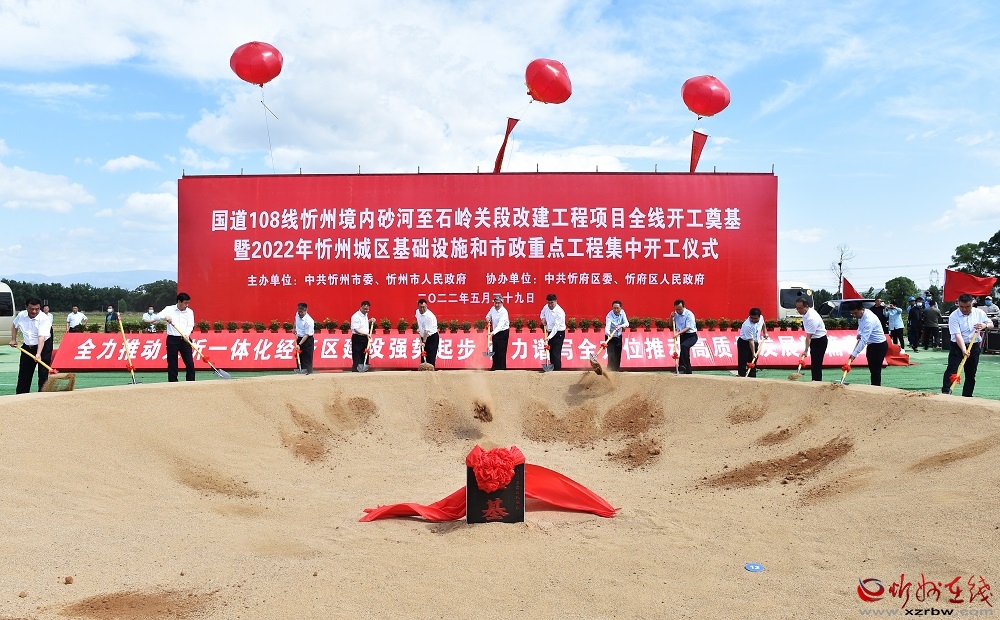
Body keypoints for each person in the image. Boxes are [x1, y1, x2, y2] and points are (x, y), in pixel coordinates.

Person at [941, 293, 990, 397]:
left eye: (967, 307)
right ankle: (946, 392)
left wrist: (985, 325)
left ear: (972, 304)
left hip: (974, 346)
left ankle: (967, 396)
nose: (964, 309)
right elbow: (957, 335)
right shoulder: (954, 316)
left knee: (971, 373)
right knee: (952, 369)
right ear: (958, 304)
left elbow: (991, 324)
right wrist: (964, 350)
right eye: (961, 307)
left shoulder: (979, 313)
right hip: (957, 346)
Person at [146, 293, 196, 382]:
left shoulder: (189, 312)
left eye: (188, 303)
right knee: (172, 362)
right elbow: (157, 317)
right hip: (173, 339)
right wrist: (165, 317)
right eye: (185, 303)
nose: (187, 305)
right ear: (179, 301)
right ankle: (173, 383)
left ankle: (190, 382)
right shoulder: (169, 309)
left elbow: (190, 325)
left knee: (189, 363)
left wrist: (187, 334)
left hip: (185, 339)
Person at [9, 297, 53, 393]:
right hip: (28, 346)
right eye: (31, 309)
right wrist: (13, 339)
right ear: (26, 307)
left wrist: (38, 354)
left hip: (44, 346)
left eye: (37, 309)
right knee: (24, 373)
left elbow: (41, 337)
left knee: (43, 373)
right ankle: (21, 396)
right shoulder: (21, 315)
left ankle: (43, 395)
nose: (34, 311)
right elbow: (14, 325)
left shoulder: (44, 318)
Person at [848, 301, 889, 386]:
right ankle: (874, 386)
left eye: (856, 313)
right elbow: (860, 326)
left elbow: (864, 340)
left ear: (861, 309)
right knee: (872, 369)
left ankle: (876, 388)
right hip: (871, 345)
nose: (854, 315)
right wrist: (859, 333)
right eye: (852, 314)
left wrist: (854, 354)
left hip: (879, 345)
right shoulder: (861, 315)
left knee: (876, 370)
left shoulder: (869, 320)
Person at [795, 298, 827, 381]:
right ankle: (815, 380)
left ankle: (817, 382)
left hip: (819, 340)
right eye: (797, 308)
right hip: (814, 340)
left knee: (816, 363)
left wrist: (806, 351)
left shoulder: (811, 318)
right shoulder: (806, 313)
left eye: (800, 308)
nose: (798, 310)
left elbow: (808, 337)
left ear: (806, 307)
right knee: (814, 362)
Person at [540, 293, 566, 370]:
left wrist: (549, 337)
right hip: (549, 331)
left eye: (552, 303)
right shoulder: (546, 307)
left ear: (556, 301)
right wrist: (543, 319)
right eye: (548, 303)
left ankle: (557, 371)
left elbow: (556, 327)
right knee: (550, 352)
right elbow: (542, 313)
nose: (550, 305)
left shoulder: (560, 312)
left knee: (556, 353)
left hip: (558, 333)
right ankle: (552, 369)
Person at [672, 299, 698, 374]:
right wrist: (671, 316)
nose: (678, 311)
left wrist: (678, 333)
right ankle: (688, 370)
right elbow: (671, 324)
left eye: (680, 309)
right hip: (683, 336)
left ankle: (683, 367)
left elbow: (688, 327)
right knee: (684, 351)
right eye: (677, 309)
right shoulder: (675, 314)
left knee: (684, 346)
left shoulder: (689, 314)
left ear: (683, 307)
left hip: (691, 336)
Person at [737, 307, 764, 378]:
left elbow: (763, 324)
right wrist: (753, 353)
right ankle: (741, 376)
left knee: (753, 361)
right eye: (752, 318)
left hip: (755, 342)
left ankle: (752, 377)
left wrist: (765, 332)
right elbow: (750, 341)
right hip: (744, 343)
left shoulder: (761, 318)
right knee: (743, 361)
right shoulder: (747, 325)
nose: (753, 320)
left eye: (755, 318)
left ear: (759, 317)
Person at [485, 295, 510, 371]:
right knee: (495, 349)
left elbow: (500, 325)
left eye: (498, 303)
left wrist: (492, 333)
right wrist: (488, 318)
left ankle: (501, 368)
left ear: (502, 303)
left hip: (503, 332)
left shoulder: (504, 312)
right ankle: (494, 367)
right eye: (495, 303)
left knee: (501, 351)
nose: (496, 305)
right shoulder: (493, 308)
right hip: (495, 332)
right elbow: (488, 315)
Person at [604, 300, 629, 372]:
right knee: (611, 354)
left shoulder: (622, 313)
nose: (616, 310)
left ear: (621, 308)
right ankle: (609, 371)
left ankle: (616, 371)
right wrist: (608, 333)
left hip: (618, 337)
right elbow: (607, 327)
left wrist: (620, 326)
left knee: (617, 354)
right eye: (614, 308)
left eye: (617, 308)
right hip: (610, 337)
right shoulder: (609, 316)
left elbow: (627, 323)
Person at [416, 298, 439, 367]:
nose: (422, 309)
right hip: (423, 337)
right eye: (420, 307)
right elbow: (419, 322)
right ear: (418, 306)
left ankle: (431, 372)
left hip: (431, 338)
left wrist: (424, 342)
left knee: (430, 358)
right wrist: (419, 329)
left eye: (424, 307)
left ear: (426, 306)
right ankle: (423, 372)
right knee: (423, 356)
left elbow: (426, 331)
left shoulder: (429, 316)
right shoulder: (417, 312)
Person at [350, 300, 372, 372]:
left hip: (365, 338)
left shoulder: (365, 315)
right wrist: (366, 334)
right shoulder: (356, 316)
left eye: (367, 309)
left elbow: (362, 324)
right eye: (364, 309)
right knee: (357, 354)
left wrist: (370, 320)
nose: (366, 311)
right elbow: (356, 329)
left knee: (365, 353)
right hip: (358, 338)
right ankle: (356, 370)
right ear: (361, 307)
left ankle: (364, 369)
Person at [294, 302, 315, 374]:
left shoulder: (309, 321)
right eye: (299, 311)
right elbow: (295, 320)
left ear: (306, 310)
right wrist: (294, 328)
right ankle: (300, 373)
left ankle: (308, 375)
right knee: (299, 358)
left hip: (307, 340)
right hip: (299, 338)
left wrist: (299, 345)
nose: (300, 313)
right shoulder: (297, 314)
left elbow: (306, 335)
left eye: (301, 312)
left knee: (306, 359)